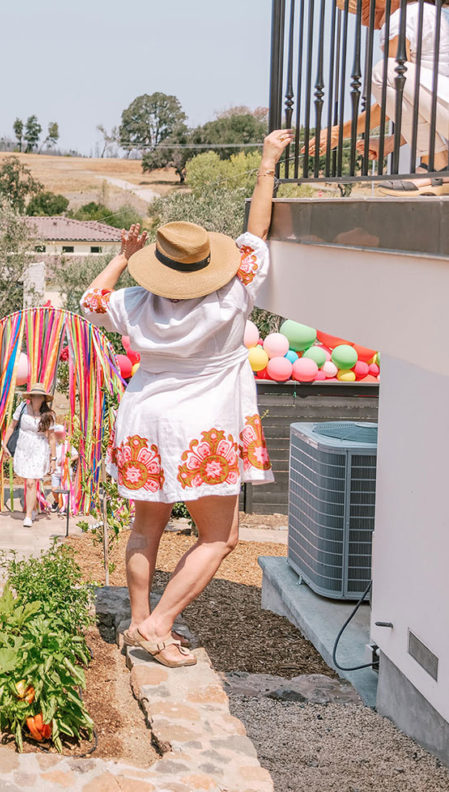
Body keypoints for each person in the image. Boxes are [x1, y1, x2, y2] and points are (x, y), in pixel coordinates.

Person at [80, 129, 293, 667]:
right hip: (204, 427)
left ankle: (135, 621)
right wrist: (267, 160)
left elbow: (89, 301)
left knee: (146, 525)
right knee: (220, 537)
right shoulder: (235, 289)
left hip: (144, 419)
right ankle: (158, 626)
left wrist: (124, 257)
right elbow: (257, 228)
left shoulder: (133, 302)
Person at [309, 0, 449, 194]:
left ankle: (436, 169)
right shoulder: (431, 14)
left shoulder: (403, 16)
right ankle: (435, 168)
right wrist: (392, 142)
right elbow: (426, 103)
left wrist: (336, 133)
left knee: (385, 72)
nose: (364, 3)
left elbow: (392, 91)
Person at [3, 383, 56, 527]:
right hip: (23, 448)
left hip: (39, 449)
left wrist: (53, 459)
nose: (37, 398)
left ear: (44, 398)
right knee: (28, 481)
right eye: (35, 396)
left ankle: (27, 516)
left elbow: (51, 438)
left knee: (32, 482)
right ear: (31, 397)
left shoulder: (48, 415)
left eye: (40, 396)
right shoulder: (22, 408)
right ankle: (33, 508)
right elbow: (11, 426)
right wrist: (4, 444)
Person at [50, 422, 79, 512]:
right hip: (55, 472)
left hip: (66, 472)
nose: (58, 436)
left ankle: (65, 507)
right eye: (56, 434)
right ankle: (57, 501)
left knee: (66, 490)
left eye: (60, 434)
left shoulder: (68, 444)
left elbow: (76, 455)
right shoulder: (52, 444)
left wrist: (67, 460)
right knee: (54, 490)